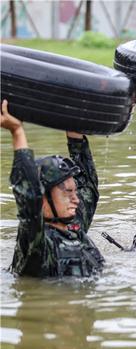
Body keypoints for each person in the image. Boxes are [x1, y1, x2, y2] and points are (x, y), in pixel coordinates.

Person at [1, 100, 104, 277]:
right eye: (67, 193)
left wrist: (74, 129)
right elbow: (28, 196)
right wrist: (17, 132)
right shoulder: (37, 244)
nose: (76, 199)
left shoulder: (72, 225)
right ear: (42, 198)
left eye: (74, 191)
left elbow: (88, 186)